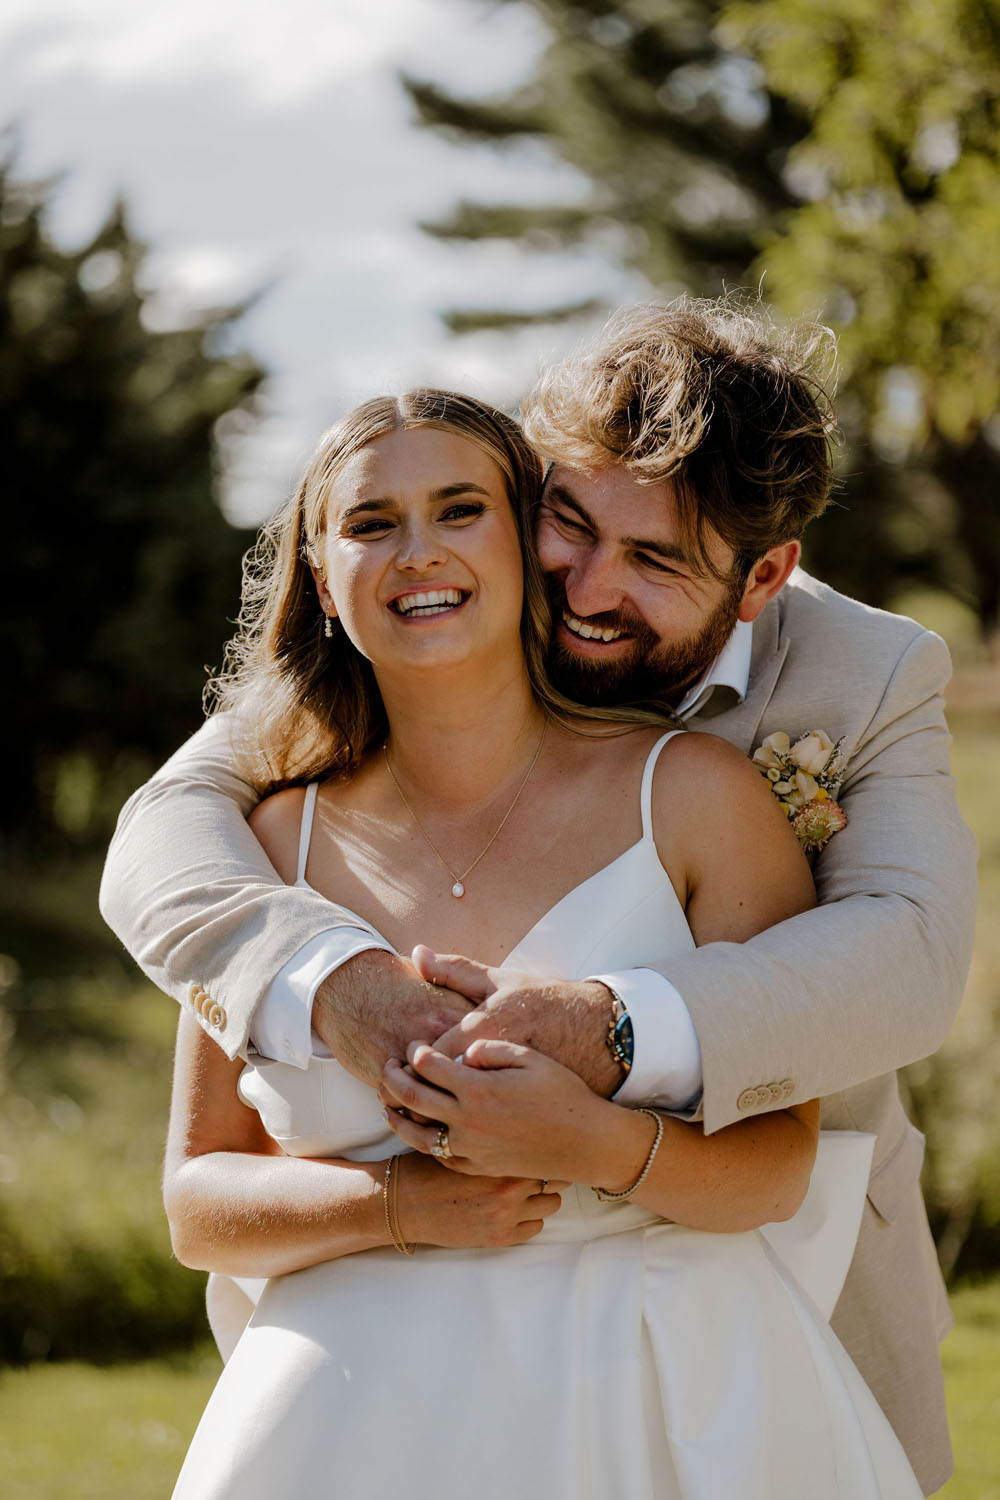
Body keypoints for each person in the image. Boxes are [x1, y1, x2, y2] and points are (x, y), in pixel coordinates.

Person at [100, 299, 977, 1495]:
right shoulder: (326, 734)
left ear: (764, 574)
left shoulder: (847, 690)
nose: (584, 586)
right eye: (565, 522)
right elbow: (160, 840)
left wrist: (606, 1041)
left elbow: (911, 962)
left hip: (742, 1321)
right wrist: (335, 984)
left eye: (656, 560)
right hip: (362, 1405)